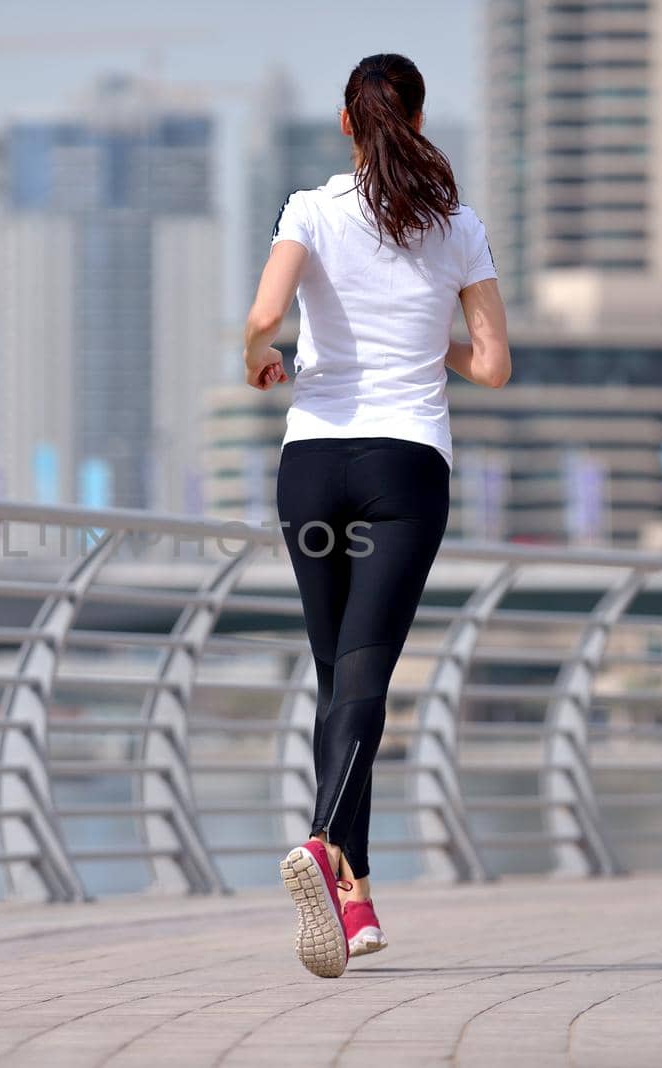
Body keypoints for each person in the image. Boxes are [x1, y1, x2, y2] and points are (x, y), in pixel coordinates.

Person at [243, 52, 511, 979]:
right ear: (420, 121)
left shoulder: (308, 209)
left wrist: (260, 360)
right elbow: (493, 366)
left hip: (311, 468)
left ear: (347, 125)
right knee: (364, 679)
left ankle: (353, 899)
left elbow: (261, 317)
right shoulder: (459, 227)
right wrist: (423, 334)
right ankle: (324, 845)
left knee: (337, 678)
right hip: (405, 473)